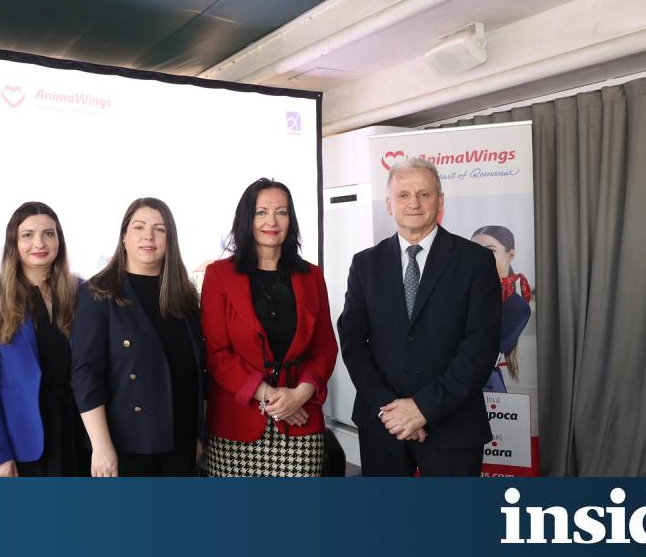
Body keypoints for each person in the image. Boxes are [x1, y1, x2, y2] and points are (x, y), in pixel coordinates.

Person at [337, 157, 500, 476]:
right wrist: (390, 410)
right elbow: (353, 342)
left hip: (453, 425)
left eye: (424, 194)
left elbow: (481, 345)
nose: (414, 203)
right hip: (383, 424)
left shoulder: (476, 261)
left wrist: (423, 408)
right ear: (389, 204)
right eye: (403, 195)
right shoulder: (365, 264)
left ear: (440, 200)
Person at [200, 179, 338, 477]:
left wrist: (299, 395)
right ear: (246, 219)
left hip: (300, 420)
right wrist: (270, 396)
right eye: (261, 212)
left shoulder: (312, 276)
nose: (272, 221)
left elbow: (325, 347)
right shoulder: (219, 275)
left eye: (281, 212)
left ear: (291, 220)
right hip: (237, 426)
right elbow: (216, 354)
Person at [70, 197, 205, 477]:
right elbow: (86, 375)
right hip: (124, 445)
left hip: (180, 442)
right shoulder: (97, 294)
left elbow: (196, 374)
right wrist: (101, 446)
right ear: (124, 237)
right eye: (139, 227)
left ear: (170, 239)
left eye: (159, 229)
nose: (149, 236)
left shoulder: (186, 297)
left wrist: (198, 434)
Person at [0, 202, 88, 477]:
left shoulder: (81, 291)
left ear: (59, 240)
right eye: (28, 235)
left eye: (48, 234)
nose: (39, 243)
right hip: (21, 439)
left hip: (78, 433)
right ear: (14, 242)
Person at [471, 225, 532, 393]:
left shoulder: (516, 307)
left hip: (483, 388)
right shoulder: (461, 293)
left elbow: (482, 350)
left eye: (490, 251)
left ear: (510, 255)